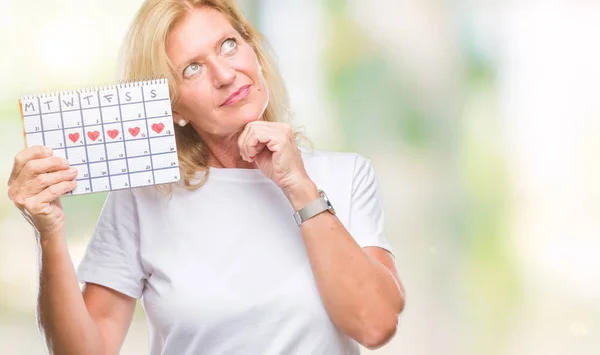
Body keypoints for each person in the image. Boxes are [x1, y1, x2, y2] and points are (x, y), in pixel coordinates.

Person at [7, 0, 405, 354]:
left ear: (254, 52)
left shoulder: (345, 174)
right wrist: (49, 231)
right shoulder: (144, 196)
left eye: (228, 45)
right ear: (174, 108)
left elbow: (374, 325)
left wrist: (299, 187)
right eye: (192, 69)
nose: (225, 74)